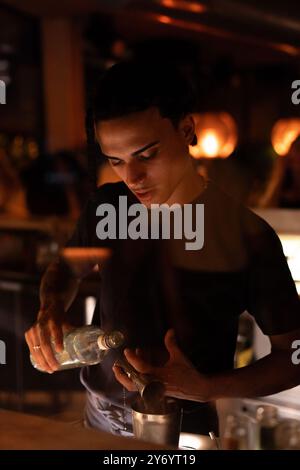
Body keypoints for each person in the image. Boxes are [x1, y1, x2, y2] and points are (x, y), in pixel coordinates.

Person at [25, 60, 300, 438]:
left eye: (147, 154)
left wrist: (208, 388)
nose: (131, 177)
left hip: (185, 428)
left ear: (186, 129)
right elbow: (66, 268)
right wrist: (49, 309)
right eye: (116, 160)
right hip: (99, 416)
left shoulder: (245, 233)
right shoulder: (109, 206)